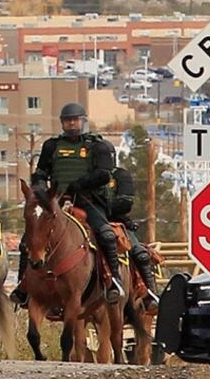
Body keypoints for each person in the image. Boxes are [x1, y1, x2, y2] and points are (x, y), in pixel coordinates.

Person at [11, 102, 122, 307]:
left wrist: (80, 184)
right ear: (62, 123)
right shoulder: (51, 146)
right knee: (28, 240)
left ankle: (113, 280)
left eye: (75, 120)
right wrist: (40, 187)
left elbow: (104, 174)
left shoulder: (97, 146)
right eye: (67, 120)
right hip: (56, 201)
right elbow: (40, 172)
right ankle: (23, 285)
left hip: (88, 201)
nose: (71, 124)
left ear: (83, 121)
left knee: (106, 234)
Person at [108, 166, 158, 311]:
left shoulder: (119, 175)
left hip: (116, 221)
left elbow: (125, 203)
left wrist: (105, 206)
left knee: (140, 254)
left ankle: (149, 295)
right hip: (85, 217)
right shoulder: (84, 173)